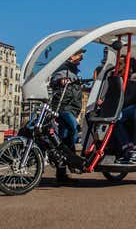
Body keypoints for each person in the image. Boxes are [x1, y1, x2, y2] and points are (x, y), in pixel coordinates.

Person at [50, 48, 85, 184]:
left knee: (63, 139)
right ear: (72, 56)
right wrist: (61, 81)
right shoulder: (63, 68)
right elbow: (55, 79)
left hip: (71, 108)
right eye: (79, 56)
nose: (81, 59)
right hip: (63, 107)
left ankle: (61, 174)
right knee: (74, 128)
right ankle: (72, 159)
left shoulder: (74, 72)